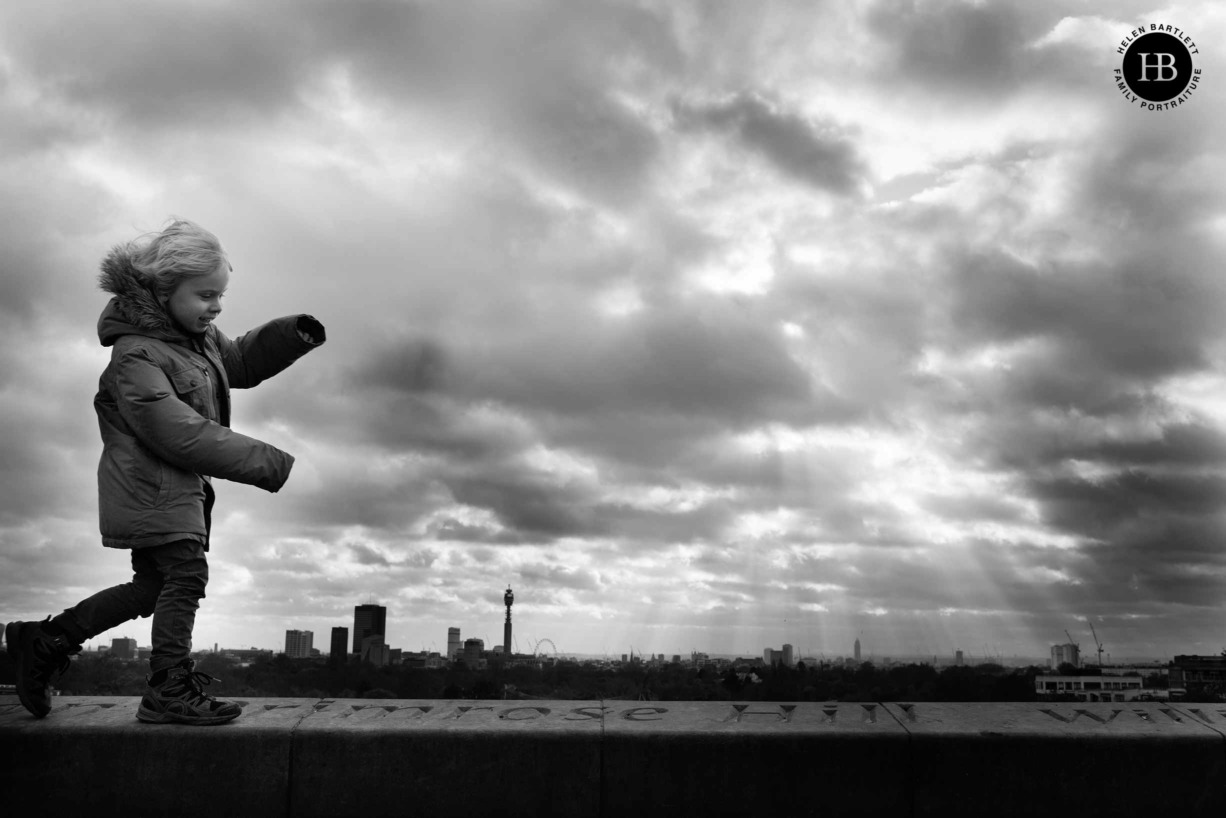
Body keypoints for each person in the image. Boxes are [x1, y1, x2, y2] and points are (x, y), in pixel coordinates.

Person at [4, 219, 325, 725]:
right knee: (187, 575)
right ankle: (167, 686)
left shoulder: (196, 340)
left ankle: (46, 639)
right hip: (151, 487)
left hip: (177, 489)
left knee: (152, 589)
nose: (216, 306)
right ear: (162, 291)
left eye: (220, 295)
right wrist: (266, 460)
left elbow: (236, 362)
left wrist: (291, 335)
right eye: (205, 295)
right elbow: (175, 431)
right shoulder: (135, 355)